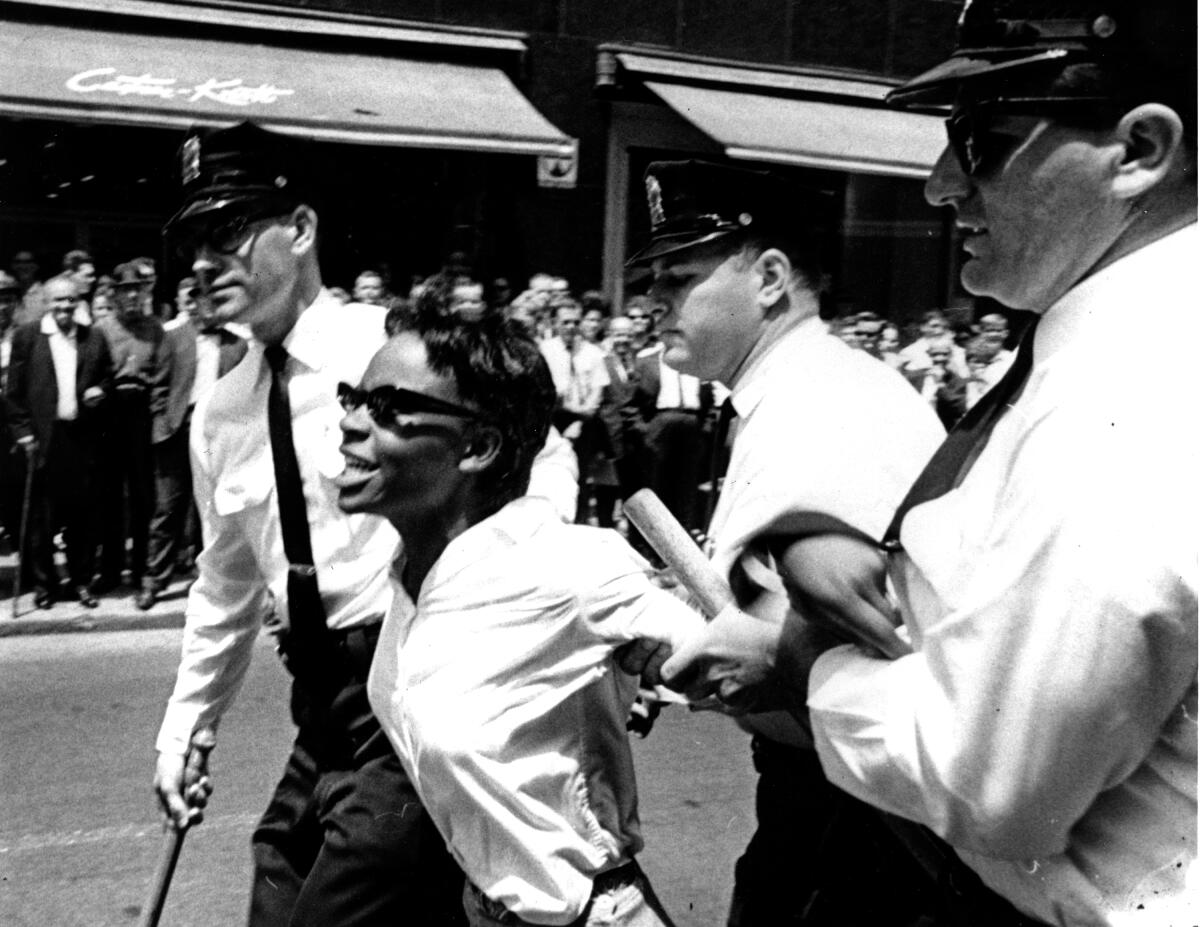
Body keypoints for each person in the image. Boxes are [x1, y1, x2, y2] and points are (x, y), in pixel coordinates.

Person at [668, 2, 1198, 924]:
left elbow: (998, 786)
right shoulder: (1108, 350)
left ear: (1140, 150)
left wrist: (804, 654)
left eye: (983, 142)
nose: (939, 184)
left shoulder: (1120, 389)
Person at [152, 120, 576, 927]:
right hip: (322, 710)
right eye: (194, 242)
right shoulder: (221, 411)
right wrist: (186, 726)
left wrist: (490, 602)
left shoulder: (390, 350)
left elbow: (542, 459)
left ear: (301, 229)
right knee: (275, 886)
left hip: (412, 682)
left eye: (229, 231)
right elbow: (224, 585)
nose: (205, 261)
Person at [625, 159, 946, 926]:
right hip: (830, 791)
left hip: (858, 815)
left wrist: (728, 649)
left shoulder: (824, 405)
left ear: (770, 277)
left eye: (681, 277)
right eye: (654, 281)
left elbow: (866, 634)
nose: (653, 301)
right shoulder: (795, 391)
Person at [338, 302, 698, 927]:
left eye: (388, 408)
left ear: (477, 446)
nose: (349, 423)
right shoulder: (407, 570)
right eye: (353, 398)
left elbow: (733, 659)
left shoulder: (562, 567)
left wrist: (672, 660)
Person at [5, 276, 112, 608]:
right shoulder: (27, 337)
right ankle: (44, 586)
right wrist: (24, 434)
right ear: (47, 303)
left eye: (70, 300)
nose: (64, 306)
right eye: (58, 300)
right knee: (41, 520)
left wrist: (102, 391)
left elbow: (107, 375)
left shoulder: (93, 337)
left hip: (79, 440)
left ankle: (80, 582)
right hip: (41, 441)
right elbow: (15, 394)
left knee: (80, 516)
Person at [93, 261, 169, 595]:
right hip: (110, 415)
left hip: (142, 415)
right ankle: (110, 570)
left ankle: (141, 570)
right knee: (110, 495)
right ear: (116, 295)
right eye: (125, 291)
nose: (133, 296)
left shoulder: (156, 329)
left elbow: (163, 376)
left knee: (142, 497)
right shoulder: (103, 329)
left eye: (138, 290)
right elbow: (94, 374)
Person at [140, 277, 202, 609]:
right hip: (177, 432)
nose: (201, 305)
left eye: (206, 298)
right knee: (168, 509)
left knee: (211, 509)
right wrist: (163, 424)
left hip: (214, 438)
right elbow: (158, 386)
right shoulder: (175, 336)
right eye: (195, 299)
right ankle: (154, 580)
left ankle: (206, 581)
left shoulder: (233, 342)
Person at [539, 301, 610, 523]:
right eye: (565, 322)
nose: (571, 326)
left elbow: (597, 391)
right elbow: (546, 392)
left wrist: (581, 417)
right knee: (550, 473)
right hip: (551, 420)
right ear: (554, 323)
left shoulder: (593, 352)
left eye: (576, 322)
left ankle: (578, 523)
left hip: (584, 422)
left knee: (580, 475)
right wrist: (573, 411)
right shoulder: (545, 350)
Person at [905, 337, 968, 428]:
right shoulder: (915, 377)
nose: (939, 358)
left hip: (941, 427)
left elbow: (958, 409)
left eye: (944, 354)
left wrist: (941, 384)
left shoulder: (957, 381)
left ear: (950, 355)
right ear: (929, 355)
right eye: (935, 354)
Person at [897, 308, 968, 377]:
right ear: (923, 327)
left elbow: (965, 376)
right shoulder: (909, 352)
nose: (940, 330)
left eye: (944, 327)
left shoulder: (958, 352)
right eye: (935, 326)